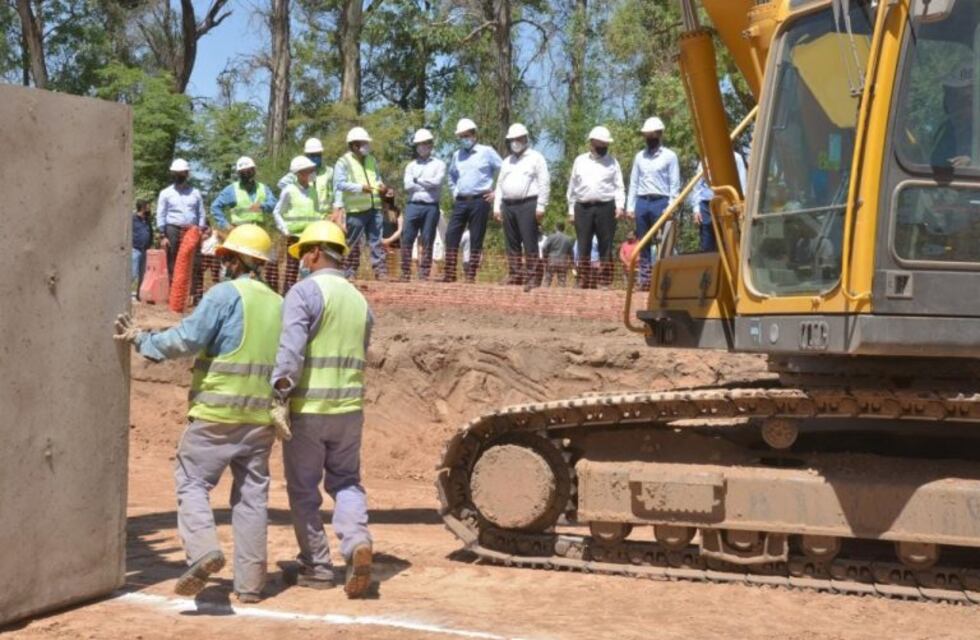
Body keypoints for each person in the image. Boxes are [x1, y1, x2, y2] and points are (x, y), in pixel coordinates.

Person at [113, 224, 285, 604]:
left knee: (192, 482)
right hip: (259, 420)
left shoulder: (225, 295)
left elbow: (187, 339)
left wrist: (143, 340)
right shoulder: (279, 302)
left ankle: (203, 549)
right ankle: (251, 585)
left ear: (237, 260)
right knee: (252, 498)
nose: (221, 262)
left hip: (215, 415)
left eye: (225, 257)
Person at [270, 220, 374, 599]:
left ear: (314, 252)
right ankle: (356, 542)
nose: (302, 260)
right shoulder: (359, 299)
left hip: (310, 408)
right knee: (346, 481)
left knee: (303, 490)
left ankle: (316, 566)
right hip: (349, 408)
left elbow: (290, 351)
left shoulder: (304, 292)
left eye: (303, 253)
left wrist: (280, 395)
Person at [207, 156, 278, 296]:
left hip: (258, 234)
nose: (247, 174)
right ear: (239, 174)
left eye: (249, 170)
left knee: (257, 266)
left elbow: (274, 203)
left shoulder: (263, 188)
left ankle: (256, 294)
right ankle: (229, 294)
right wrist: (226, 225)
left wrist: (263, 206)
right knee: (234, 266)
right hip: (239, 234)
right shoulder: (231, 190)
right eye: (243, 172)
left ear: (254, 170)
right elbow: (215, 207)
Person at [567, 126, 626, 289]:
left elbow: (619, 186)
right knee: (583, 244)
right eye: (600, 143)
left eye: (606, 143)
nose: (603, 146)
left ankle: (604, 280)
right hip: (582, 207)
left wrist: (620, 206)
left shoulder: (613, 162)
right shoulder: (579, 161)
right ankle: (583, 279)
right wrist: (571, 210)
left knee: (605, 244)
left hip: (606, 207)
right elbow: (572, 187)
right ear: (592, 143)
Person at [445, 118, 502, 283]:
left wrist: (497, 192)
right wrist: (455, 191)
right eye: (461, 136)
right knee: (451, 235)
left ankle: (471, 274)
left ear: (474, 135)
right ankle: (449, 273)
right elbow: (451, 176)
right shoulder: (457, 155)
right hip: (461, 200)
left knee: (476, 237)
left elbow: (505, 170)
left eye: (467, 135)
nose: (464, 139)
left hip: (480, 200)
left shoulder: (487, 151)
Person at [495, 123, 551, 292]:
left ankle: (533, 276)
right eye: (512, 140)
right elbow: (499, 184)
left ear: (526, 139)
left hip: (528, 204)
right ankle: (515, 274)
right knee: (511, 242)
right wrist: (496, 207)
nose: (515, 142)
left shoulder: (536, 158)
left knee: (529, 241)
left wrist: (541, 205)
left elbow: (544, 182)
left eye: (518, 139)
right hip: (508, 205)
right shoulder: (507, 162)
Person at [626, 117, 680, 290]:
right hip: (642, 202)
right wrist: (630, 206)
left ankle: (666, 279)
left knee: (665, 242)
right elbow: (634, 182)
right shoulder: (639, 157)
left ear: (659, 134)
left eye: (651, 134)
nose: (648, 138)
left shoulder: (670, 156)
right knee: (643, 243)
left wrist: (671, 205)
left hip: (662, 202)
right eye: (646, 135)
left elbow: (674, 183)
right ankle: (646, 280)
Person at [333, 127, 392, 281]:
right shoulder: (343, 162)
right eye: (364, 143)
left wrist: (382, 187)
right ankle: (349, 272)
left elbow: (377, 178)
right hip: (356, 209)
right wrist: (360, 188)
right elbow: (339, 184)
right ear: (354, 145)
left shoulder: (371, 160)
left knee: (376, 241)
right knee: (353, 243)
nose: (367, 145)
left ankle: (380, 271)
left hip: (375, 207)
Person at [274, 155, 325, 294]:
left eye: (311, 170)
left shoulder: (313, 191)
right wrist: (285, 230)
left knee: (309, 267)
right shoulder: (289, 190)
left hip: (310, 237)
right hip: (294, 236)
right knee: (292, 268)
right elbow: (277, 212)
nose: (311, 173)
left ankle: (307, 294)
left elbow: (316, 212)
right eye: (308, 170)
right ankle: (287, 295)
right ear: (299, 173)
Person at [401, 128, 446, 282]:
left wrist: (417, 181)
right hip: (413, 205)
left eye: (425, 144)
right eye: (419, 144)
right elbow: (407, 186)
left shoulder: (439, 164)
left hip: (431, 207)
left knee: (428, 238)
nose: (422, 147)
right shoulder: (410, 166)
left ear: (430, 145)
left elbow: (437, 183)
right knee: (407, 238)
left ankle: (424, 273)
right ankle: (405, 272)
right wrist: (426, 184)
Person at [156, 158, 206, 283]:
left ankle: (193, 291)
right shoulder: (165, 193)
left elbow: (201, 213)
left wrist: (200, 230)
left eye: (181, 173)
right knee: (173, 259)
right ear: (173, 174)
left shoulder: (195, 193)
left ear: (187, 174)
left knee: (193, 259)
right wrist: (162, 235)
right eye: (176, 173)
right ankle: (174, 289)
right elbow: (161, 214)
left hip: (191, 230)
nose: (178, 176)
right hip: (172, 228)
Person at [688, 151, 747, 253]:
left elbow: (742, 183)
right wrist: (696, 208)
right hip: (706, 204)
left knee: (730, 239)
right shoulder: (705, 161)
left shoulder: (736, 158)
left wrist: (740, 204)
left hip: (727, 204)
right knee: (707, 242)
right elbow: (697, 186)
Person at [279, 137, 334, 207]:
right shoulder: (298, 172)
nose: (316, 158)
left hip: (324, 215)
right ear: (306, 156)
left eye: (318, 155)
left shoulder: (329, 171)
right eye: (312, 155)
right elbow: (282, 184)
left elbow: (336, 192)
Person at [541, 221, 574, 288]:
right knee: (562, 282)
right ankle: (561, 297)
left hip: (551, 261)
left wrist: (545, 258)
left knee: (547, 280)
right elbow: (571, 252)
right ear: (563, 228)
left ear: (556, 228)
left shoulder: (551, 237)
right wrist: (571, 262)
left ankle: (543, 296)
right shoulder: (568, 239)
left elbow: (544, 248)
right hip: (563, 262)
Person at [132, 199, 153, 300]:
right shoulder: (133, 219)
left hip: (145, 250)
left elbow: (151, 233)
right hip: (135, 249)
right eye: (148, 206)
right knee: (132, 273)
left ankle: (139, 295)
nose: (149, 208)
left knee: (143, 274)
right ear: (143, 207)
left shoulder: (147, 220)